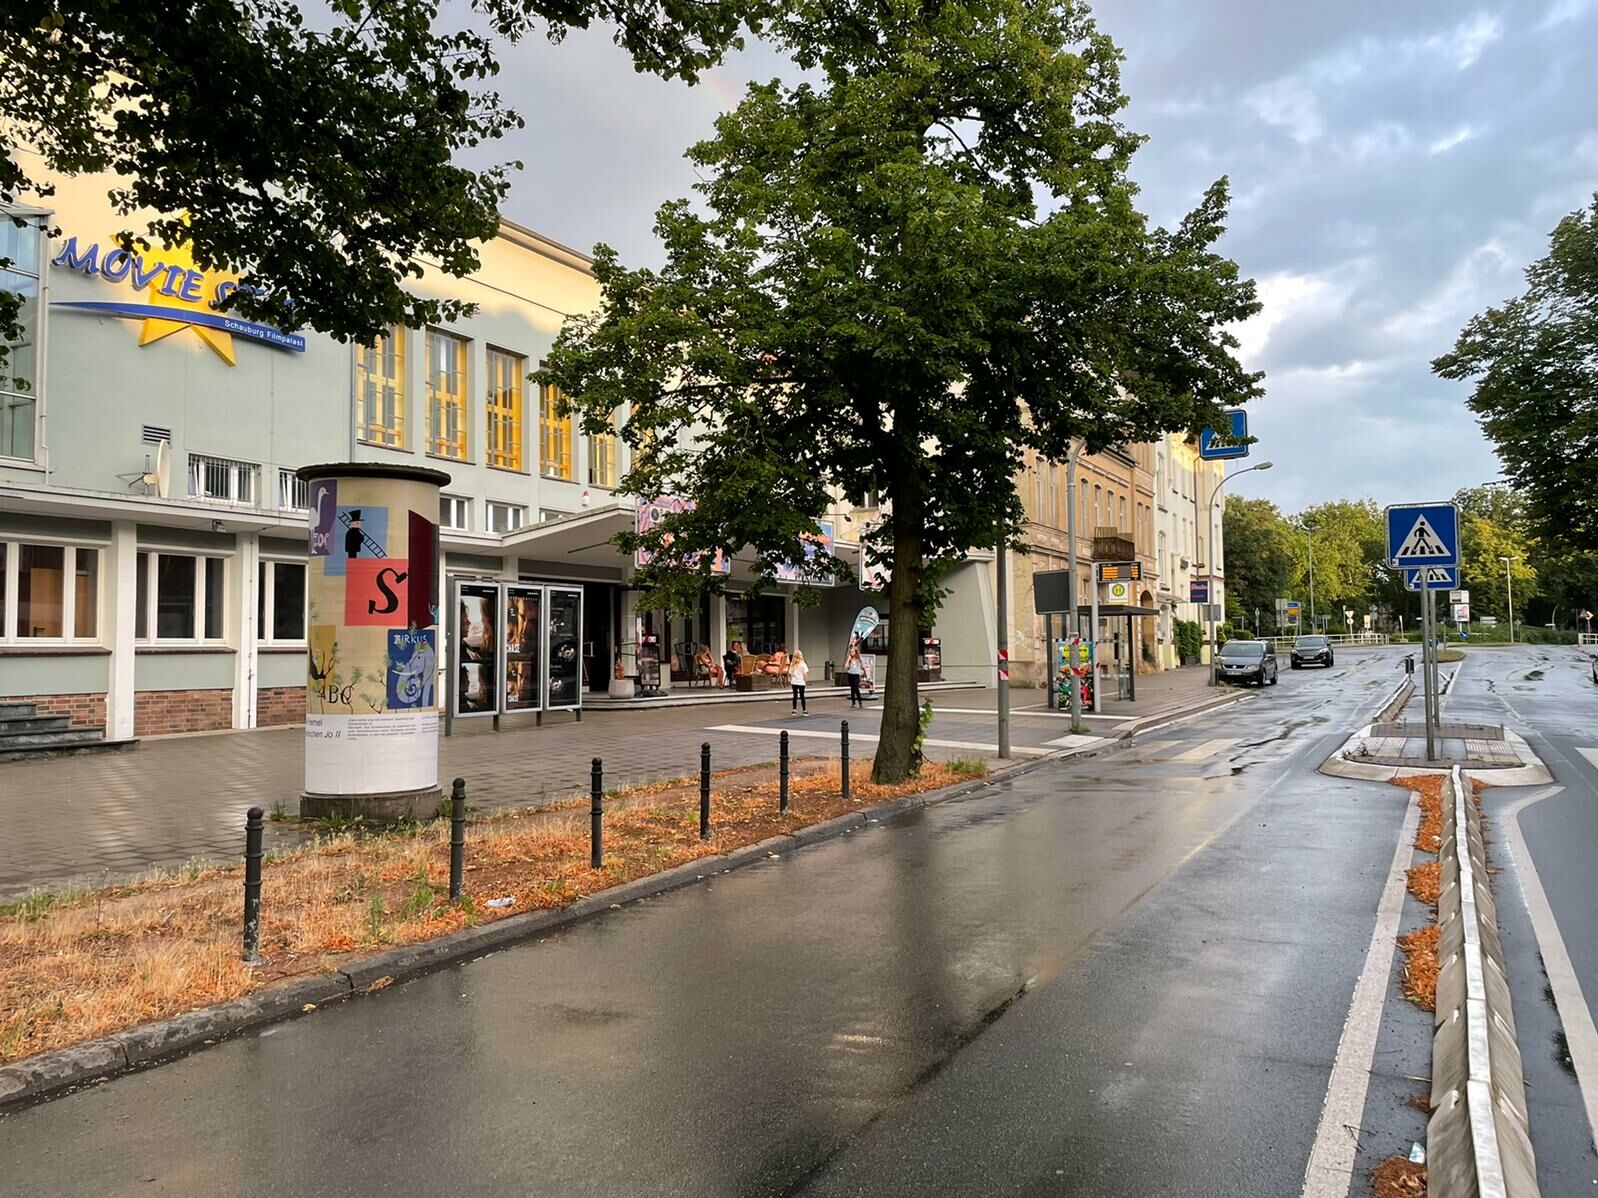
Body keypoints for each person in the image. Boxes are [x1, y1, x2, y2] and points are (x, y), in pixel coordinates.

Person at [843, 641, 865, 708]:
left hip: (856, 675)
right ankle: (853, 702)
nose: (851, 653)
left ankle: (860, 702)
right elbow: (845, 667)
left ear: (855, 652)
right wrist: (848, 660)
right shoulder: (849, 659)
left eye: (852, 652)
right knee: (852, 689)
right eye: (850, 652)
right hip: (850, 674)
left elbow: (862, 666)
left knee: (856, 688)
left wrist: (864, 673)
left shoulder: (858, 659)